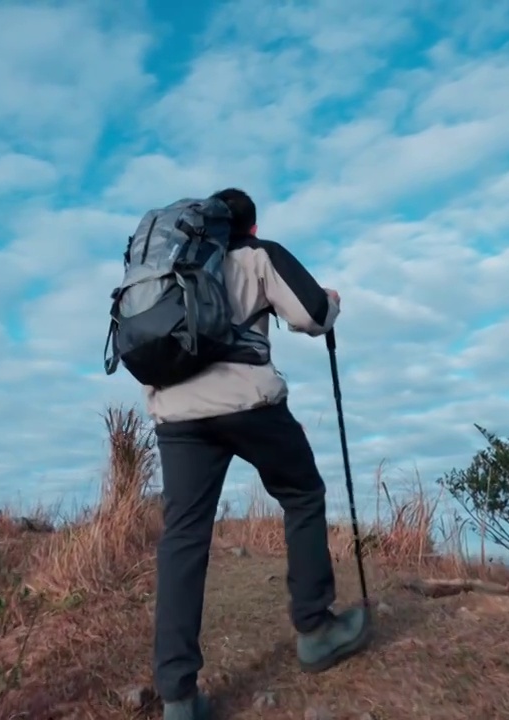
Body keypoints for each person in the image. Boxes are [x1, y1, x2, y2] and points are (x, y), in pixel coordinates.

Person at [145, 188, 372, 720]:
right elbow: (314, 315)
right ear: (248, 226)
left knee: (183, 539)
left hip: (175, 414)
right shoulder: (256, 254)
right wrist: (332, 301)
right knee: (301, 492)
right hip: (245, 404)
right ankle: (315, 630)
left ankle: (178, 698)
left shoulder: (171, 266)